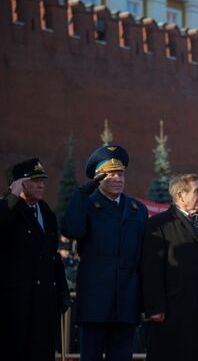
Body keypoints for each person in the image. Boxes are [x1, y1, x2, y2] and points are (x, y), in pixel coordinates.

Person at [61, 145, 148, 361]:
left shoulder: (137, 209)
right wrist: (80, 195)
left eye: (120, 174)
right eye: (110, 175)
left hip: (126, 301)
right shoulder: (87, 204)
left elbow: (145, 255)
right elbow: (71, 230)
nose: (118, 179)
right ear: (98, 178)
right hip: (95, 302)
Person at [141, 174, 198, 361]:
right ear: (180, 195)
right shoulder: (159, 224)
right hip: (172, 312)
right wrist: (155, 307)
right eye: (197, 191)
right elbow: (151, 269)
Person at [0, 158, 69, 361]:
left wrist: (62, 289)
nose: (41, 185)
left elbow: (52, 255)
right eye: (34, 180)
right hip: (14, 303)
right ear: (19, 183)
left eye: (42, 180)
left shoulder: (46, 212)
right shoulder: (8, 208)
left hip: (43, 302)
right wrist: (12, 195)